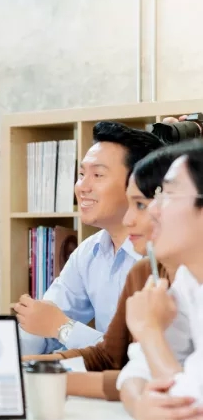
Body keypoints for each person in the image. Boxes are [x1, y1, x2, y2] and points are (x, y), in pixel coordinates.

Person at [22, 145, 194, 399]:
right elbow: (116, 360)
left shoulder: (172, 275)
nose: (129, 220)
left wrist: (37, 373)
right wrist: (30, 370)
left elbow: (178, 391)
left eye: (141, 205)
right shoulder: (145, 271)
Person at [15, 122, 163, 355]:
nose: (82, 187)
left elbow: (144, 357)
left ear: (138, 184)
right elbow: (43, 323)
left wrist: (63, 328)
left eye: (98, 175)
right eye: (82, 174)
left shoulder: (165, 257)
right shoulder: (89, 251)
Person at [119, 141, 203, 420]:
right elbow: (136, 372)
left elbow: (191, 410)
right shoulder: (191, 282)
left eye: (168, 194)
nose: (153, 211)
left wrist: (149, 330)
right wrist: (140, 403)